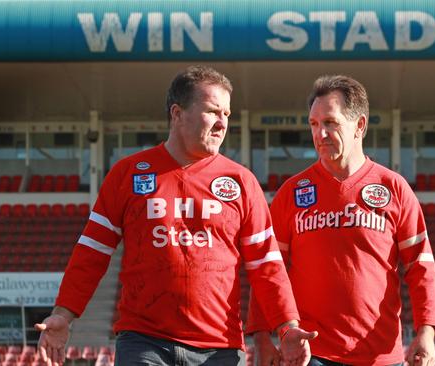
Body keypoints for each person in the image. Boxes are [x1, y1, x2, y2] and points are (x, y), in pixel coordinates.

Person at [35, 66, 316, 366]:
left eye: (227, 114)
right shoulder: (127, 174)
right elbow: (92, 252)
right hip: (144, 343)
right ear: (177, 113)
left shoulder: (242, 183)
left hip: (219, 347)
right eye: (212, 111)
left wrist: (286, 325)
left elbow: (266, 265)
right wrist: (63, 314)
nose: (222, 123)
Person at [247, 75, 435, 366]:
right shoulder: (292, 192)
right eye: (314, 124)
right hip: (312, 355)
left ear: (360, 126)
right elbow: (269, 271)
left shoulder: (394, 188)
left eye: (331, 122)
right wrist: (262, 337)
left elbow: (420, 266)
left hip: (381, 356)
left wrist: (426, 332)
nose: (320, 133)